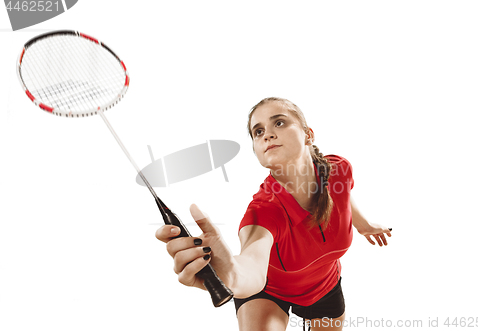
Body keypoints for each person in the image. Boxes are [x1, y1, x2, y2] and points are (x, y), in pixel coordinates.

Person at [155, 97, 392, 331]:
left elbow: (342, 194)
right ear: (257, 151)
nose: (267, 134)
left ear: (308, 134)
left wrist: (363, 224)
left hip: (325, 286)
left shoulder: (338, 169)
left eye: (279, 123)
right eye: (258, 132)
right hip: (268, 292)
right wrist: (232, 274)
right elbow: (252, 264)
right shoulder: (263, 212)